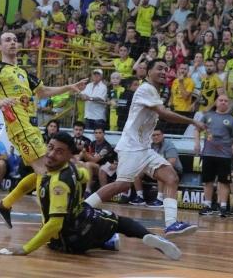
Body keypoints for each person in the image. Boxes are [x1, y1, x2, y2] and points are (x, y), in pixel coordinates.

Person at [0, 132, 181, 260]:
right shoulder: (66, 171)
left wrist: (25, 247)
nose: (50, 154)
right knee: (116, 221)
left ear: (69, 155)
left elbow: (54, 224)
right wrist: (24, 247)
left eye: (59, 152)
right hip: (72, 236)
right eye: (50, 147)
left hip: (58, 241)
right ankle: (141, 237)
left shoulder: (55, 180)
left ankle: (108, 241)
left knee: (102, 219)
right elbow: (83, 175)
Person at [83, 59, 203, 238]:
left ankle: (171, 224)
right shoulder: (146, 88)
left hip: (144, 148)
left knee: (171, 177)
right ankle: (83, 208)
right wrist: (192, 120)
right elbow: (164, 114)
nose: (164, 72)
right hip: (132, 147)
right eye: (159, 68)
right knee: (121, 184)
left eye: (166, 69)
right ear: (148, 72)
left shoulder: (153, 91)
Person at [0, 32, 86, 219]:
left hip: (32, 126)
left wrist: (69, 87)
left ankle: (6, 204)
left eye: (14, 40)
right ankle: (49, 220)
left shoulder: (24, 73)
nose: (12, 42)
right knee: (45, 172)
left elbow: (43, 91)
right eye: (7, 40)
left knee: (43, 170)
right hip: (19, 126)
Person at [197, 94, 233, 217]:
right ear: (216, 102)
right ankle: (207, 205)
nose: (223, 102)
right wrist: (196, 143)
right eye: (221, 100)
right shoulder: (207, 116)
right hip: (208, 153)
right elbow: (197, 129)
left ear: (228, 104)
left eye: (226, 101)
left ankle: (223, 207)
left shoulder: (232, 119)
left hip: (224, 156)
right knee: (208, 181)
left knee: (224, 182)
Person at [132, 127, 182, 208]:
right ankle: (140, 197)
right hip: (153, 170)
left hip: (174, 172)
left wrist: (154, 170)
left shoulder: (169, 145)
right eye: (153, 135)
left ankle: (160, 199)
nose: (155, 137)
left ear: (163, 135)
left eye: (158, 135)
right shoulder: (149, 145)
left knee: (161, 171)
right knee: (136, 172)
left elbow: (171, 162)